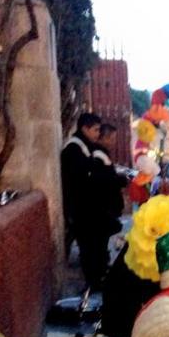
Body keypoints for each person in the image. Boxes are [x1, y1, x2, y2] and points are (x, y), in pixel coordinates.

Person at [61, 112, 103, 288]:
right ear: (84, 128)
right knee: (88, 247)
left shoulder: (84, 147)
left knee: (92, 247)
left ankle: (95, 278)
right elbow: (80, 180)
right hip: (81, 209)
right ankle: (92, 281)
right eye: (95, 130)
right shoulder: (74, 149)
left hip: (86, 208)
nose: (98, 134)